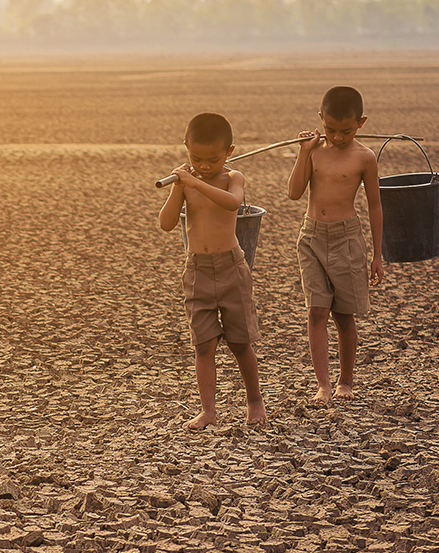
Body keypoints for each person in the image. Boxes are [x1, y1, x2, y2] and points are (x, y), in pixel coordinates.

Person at [159, 112, 265, 429]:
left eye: (213, 160)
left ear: (229, 153)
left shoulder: (233, 178)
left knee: (240, 342)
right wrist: (179, 187)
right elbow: (165, 224)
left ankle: (255, 402)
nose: (204, 167)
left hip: (231, 266)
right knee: (203, 344)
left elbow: (233, 203)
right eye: (196, 159)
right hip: (198, 270)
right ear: (186, 149)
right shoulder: (186, 183)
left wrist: (195, 182)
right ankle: (208, 410)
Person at [286, 86, 385, 403]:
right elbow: (294, 192)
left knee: (344, 316)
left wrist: (377, 254)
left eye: (345, 130)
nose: (337, 137)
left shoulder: (365, 158)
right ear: (320, 120)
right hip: (312, 237)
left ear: (361, 122)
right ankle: (323, 386)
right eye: (330, 129)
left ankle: (345, 382)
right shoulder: (314, 151)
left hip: (347, 238)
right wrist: (304, 152)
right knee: (316, 310)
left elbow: (374, 206)